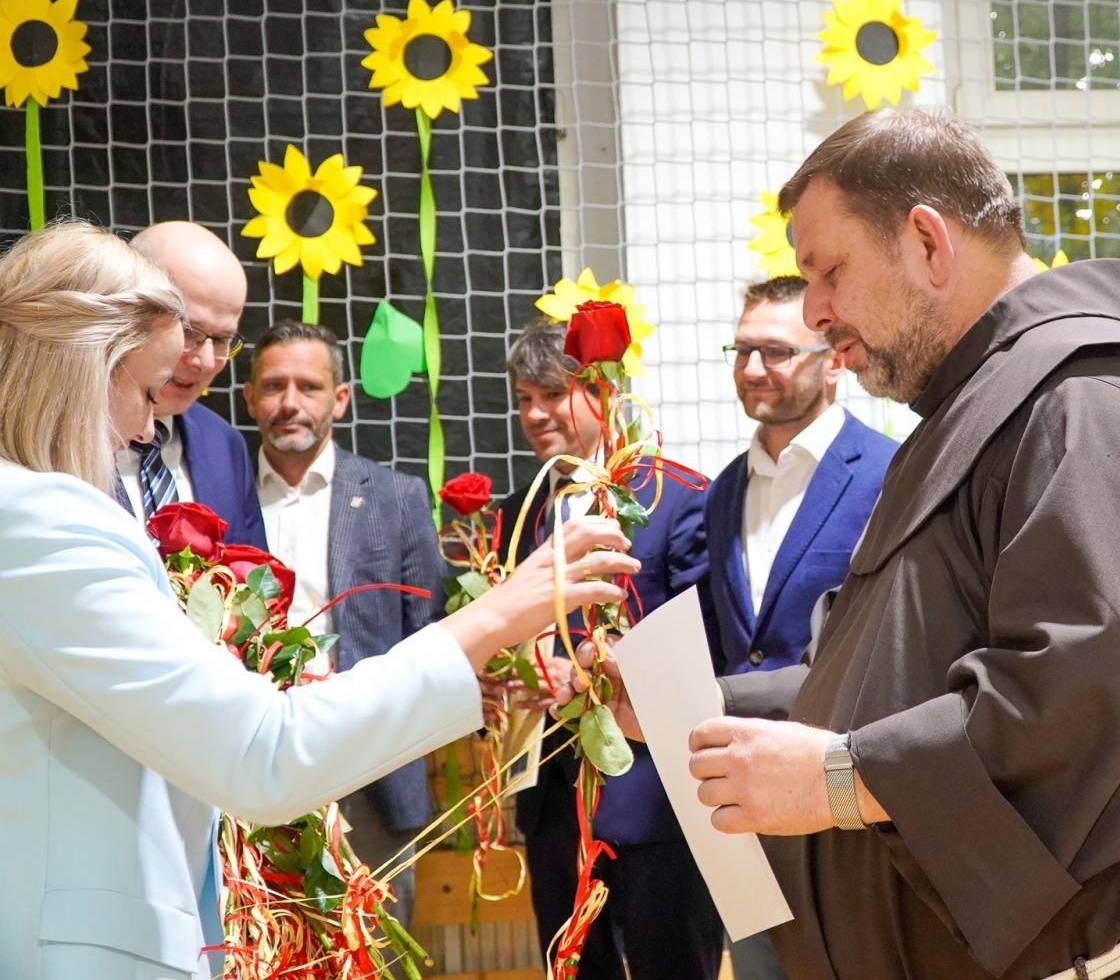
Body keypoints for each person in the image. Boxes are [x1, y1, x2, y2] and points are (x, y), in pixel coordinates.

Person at [603, 110, 1120, 979]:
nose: (819, 311)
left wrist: (839, 779)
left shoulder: (1089, 404)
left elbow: (1082, 700)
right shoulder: (983, 408)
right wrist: (702, 707)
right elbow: (903, 672)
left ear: (927, 242)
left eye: (829, 271)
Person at [0, 222, 637, 980]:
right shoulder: (39, 524)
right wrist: (501, 612)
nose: (147, 425)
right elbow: (264, 752)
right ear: (82, 368)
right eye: (143, 390)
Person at [499, 317, 722, 980]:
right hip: (552, 802)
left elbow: (702, 641)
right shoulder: (521, 512)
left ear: (603, 390)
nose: (534, 414)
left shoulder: (677, 497)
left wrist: (601, 667)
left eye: (551, 393)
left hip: (657, 802)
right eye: (522, 399)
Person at [700, 275, 896, 980]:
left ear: (836, 360)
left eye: (776, 352)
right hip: (743, 819)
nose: (753, 369)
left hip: (843, 805)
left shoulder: (890, 475)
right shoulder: (722, 491)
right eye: (742, 350)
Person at [243, 319, 451, 925]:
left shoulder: (396, 497)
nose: (289, 403)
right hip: (246, 762)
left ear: (339, 398)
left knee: (374, 949)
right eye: (273, 385)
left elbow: (427, 636)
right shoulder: (220, 492)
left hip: (369, 772)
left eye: (308, 386)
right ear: (249, 396)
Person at [116, 220, 267, 547]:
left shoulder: (224, 446)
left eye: (223, 339)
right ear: (127, 310)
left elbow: (256, 587)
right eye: (188, 332)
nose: (205, 361)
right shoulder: (45, 432)